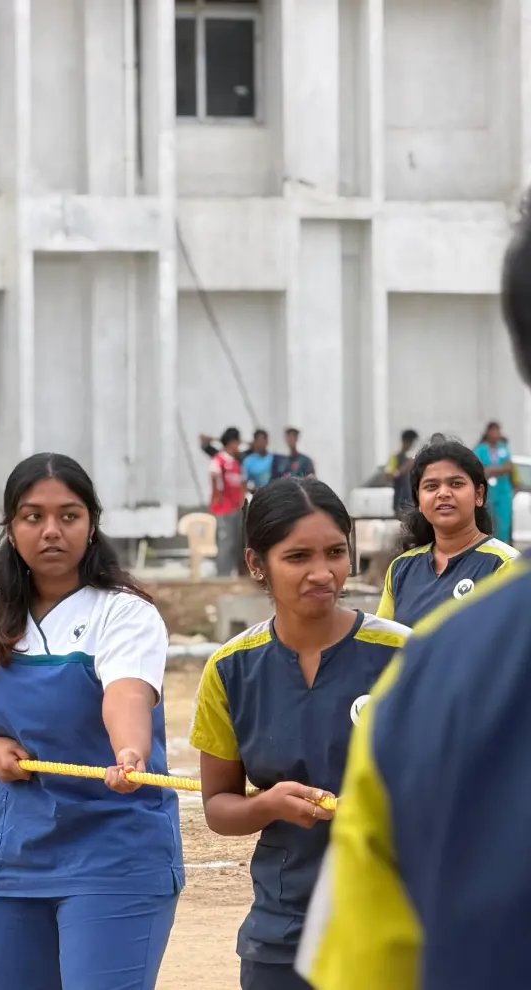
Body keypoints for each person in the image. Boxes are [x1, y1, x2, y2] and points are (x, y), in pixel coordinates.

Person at [294, 195, 531, 990]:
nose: (441, 498)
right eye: (429, 486)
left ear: (481, 490)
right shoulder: (403, 582)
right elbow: (386, 655)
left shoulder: (498, 579)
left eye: (455, 485)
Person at [0, 452, 184, 990]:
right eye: (33, 516)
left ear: (92, 524)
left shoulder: (124, 612)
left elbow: (125, 694)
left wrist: (129, 750)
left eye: (69, 515)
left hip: (114, 852)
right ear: (11, 529)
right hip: (10, 854)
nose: (51, 530)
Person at [190, 478, 409, 990]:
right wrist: (268, 806)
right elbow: (218, 807)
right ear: (256, 563)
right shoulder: (229, 670)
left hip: (395, 925)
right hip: (283, 933)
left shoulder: (407, 656)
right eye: (298, 556)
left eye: (336, 552)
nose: (322, 572)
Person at [375, 438, 517, 626]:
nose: (443, 493)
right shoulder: (400, 569)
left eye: (456, 484)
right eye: (431, 486)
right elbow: (381, 643)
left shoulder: (505, 566)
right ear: (419, 500)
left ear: (479, 495)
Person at [210, 428, 247, 577]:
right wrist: (218, 497)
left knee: (236, 542)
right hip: (223, 509)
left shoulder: (237, 461)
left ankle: (235, 573)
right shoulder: (219, 460)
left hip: (236, 508)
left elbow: (242, 482)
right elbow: (215, 478)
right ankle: (223, 574)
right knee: (225, 541)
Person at [475, 420, 515, 544]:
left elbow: (510, 467)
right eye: (493, 431)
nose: (495, 434)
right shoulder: (481, 449)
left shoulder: (503, 448)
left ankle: (504, 548)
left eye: (498, 431)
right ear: (487, 432)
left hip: (504, 492)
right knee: (489, 522)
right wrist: (500, 469)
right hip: (488, 493)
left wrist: (492, 470)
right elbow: (480, 470)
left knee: (504, 524)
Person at [384, 429, 419, 518]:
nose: (410, 445)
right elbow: (389, 476)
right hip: (400, 501)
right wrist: (405, 467)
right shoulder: (395, 457)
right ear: (404, 441)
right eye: (409, 441)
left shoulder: (413, 457)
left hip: (412, 500)